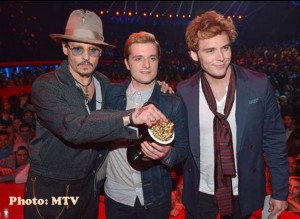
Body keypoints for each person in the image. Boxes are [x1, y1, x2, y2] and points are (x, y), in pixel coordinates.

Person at [24, 9, 169, 219]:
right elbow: (74, 128)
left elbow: (130, 90)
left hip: (89, 191)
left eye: (93, 50)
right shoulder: (46, 86)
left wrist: (158, 86)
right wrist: (130, 117)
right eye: (77, 49)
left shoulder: (104, 83)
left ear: (100, 52)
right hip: (50, 195)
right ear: (65, 48)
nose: (86, 57)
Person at [176, 10, 288, 219]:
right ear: (194, 54)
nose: (221, 58)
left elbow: (275, 140)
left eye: (225, 48)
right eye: (210, 51)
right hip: (200, 191)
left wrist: (280, 191)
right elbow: (180, 143)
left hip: (243, 190)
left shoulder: (258, 84)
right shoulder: (184, 91)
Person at [103, 31, 189, 219]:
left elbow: (183, 149)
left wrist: (168, 154)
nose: (147, 65)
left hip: (155, 198)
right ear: (127, 63)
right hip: (115, 196)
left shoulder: (172, 102)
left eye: (152, 58)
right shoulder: (111, 95)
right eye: (138, 58)